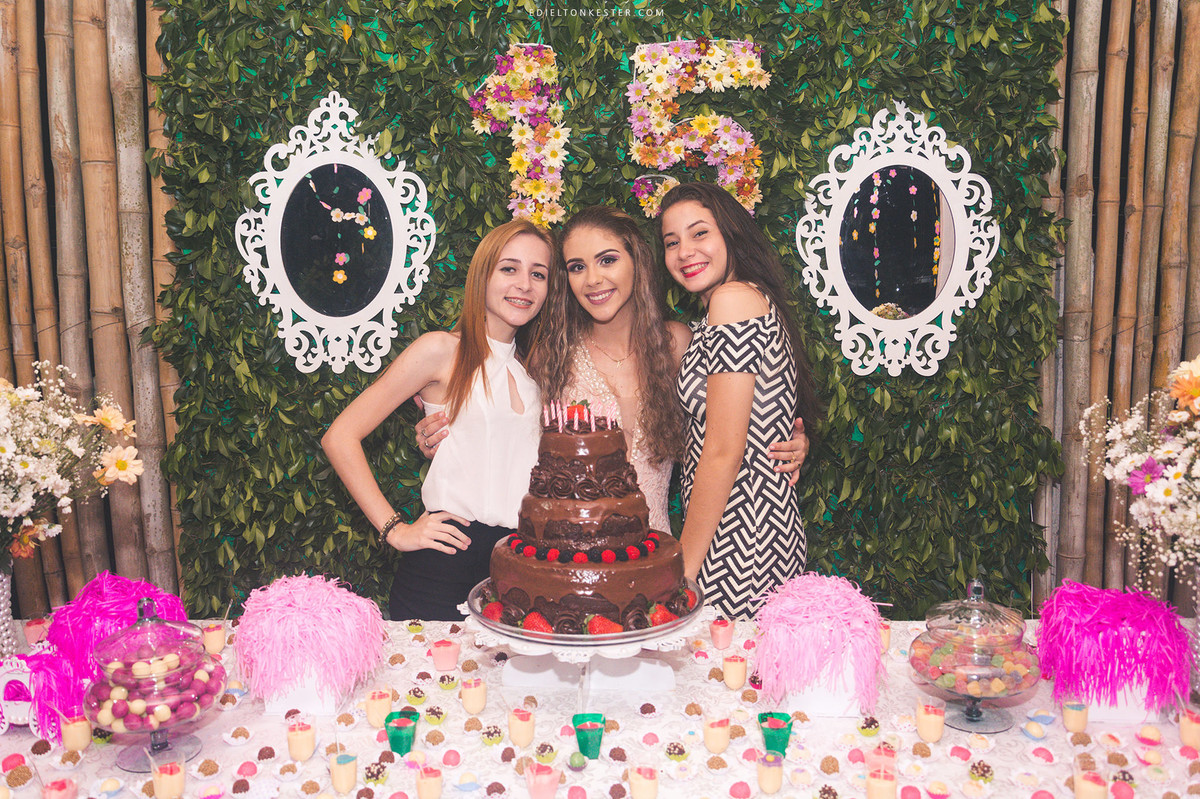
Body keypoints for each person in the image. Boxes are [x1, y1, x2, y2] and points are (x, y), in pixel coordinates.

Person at [415, 207, 809, 532]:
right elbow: (500, 421)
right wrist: (445, 427)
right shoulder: (549, 355)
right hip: (570, 561)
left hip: (658, 557)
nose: (593, 279)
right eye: (576, 267)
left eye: (607, 260)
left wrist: (786, 439)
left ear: (637, 262)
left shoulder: (677, 345)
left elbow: (725, 420)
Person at [322, 219, 556, 621]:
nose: (524, 285)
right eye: (509, 268)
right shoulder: (441, 350)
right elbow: (340, 436)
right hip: (445, 565)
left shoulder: (533, 370)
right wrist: (395, 529)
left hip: (519, 567)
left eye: (538, 274)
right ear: (483, 276)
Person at [658, 182, 822, 618]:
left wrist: (682, 573)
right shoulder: (743, 303)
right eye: (671, 242)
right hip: (747, 526)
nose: (684, 252)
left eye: (699, 233)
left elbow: (723, 451)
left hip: (740, 537)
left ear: (731, 233)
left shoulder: (733, 301)